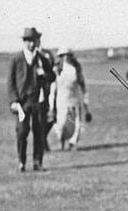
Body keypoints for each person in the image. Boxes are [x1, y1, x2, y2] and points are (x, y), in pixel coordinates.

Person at [7, 26, 54, 172]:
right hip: (22, 103)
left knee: (39, 133)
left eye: (33, 41)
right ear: (24, 42)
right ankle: (21, 162)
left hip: (39, 102)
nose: (31, 44)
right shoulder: (16, 59)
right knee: (22, 132)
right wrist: (13, 100)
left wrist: (44, 74)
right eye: (28, 41)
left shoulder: (42, 59)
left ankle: (37, 163)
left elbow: (52, 77)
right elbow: (11, 82)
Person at [51, 48, 90, 150]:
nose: (66, 57)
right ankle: (62, 141)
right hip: (61, 100)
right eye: (64, 55)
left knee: (76, 122)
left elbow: (83, 85)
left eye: (68, 55)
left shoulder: (76, 69)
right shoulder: (56, 69)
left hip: (74, 99)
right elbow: (53, 87)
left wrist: (86, 103)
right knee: (62, 122)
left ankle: (73, 143)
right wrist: (51, 103)